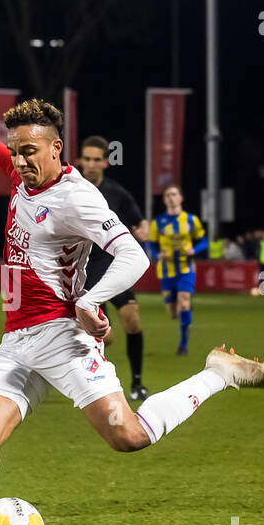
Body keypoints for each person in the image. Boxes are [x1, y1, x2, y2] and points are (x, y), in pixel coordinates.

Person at [0, 92, 264, 525]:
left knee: (128, 436)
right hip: (17, 341)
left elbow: (135, 255)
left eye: (30, 151)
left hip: (63, 337)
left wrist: (89, 299)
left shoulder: (76, 197)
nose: (20, 161)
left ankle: (219, 373)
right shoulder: (22, 173)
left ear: (56, 148)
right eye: (16, 150)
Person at [77, 135, 150, 401]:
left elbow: (140, 223)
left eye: (97, 159)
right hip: (85, 270)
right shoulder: (72, 189)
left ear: (106, 162)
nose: (92, 164)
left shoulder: (118, 194)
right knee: (102, 338)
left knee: (132, 320)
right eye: (87, 159)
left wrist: (143, 230)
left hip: (112, 266)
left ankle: (138, 383)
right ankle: (97, 385)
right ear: (80, 160)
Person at [149, 184, 207, 355]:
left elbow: (204, 241)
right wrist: (156, 254)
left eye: (174, 194)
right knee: (173, 312)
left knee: (184, 302)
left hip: (186, 268)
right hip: (166, 271)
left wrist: (194, 251)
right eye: (168, 195)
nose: (171, 198)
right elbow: (151, 244)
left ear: (181, 198)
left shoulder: (190, 220)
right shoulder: (158, 222)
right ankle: (181, 309)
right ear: (165, 200)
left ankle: (183, 345)